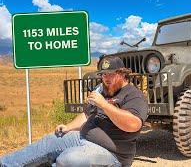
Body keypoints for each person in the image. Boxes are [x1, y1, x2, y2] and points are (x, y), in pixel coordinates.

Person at [0, 56, 148, 167]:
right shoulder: (103, 90)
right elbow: (86, 114)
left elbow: (133, 125)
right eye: (103, 74)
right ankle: (5, 163)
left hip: (113, 154)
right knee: (50, 140)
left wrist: (104, 105)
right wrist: (69, 127)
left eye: (111, 74)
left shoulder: (133, 95)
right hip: (83, 138)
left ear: (122, 74)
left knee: (69, 159)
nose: (106, 79)